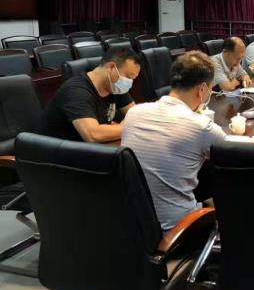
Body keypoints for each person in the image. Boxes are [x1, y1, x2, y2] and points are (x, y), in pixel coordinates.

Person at [121, 51, 226, 231]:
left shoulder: (134, 112)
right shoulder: (201, 126)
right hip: (178, 230)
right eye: (210, 88)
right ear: (202, 90)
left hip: (132, 225)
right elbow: (234, 160)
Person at [38, 47, 141, 143]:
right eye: (128, 77)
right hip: (58, 150)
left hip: (90, 148)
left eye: (133, 79)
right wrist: (128, 127)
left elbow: (136, 116)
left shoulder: (115, 87)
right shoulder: (76, 91)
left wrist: (115, 128)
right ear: (111, 68)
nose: (129, 83)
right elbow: (93, 135)